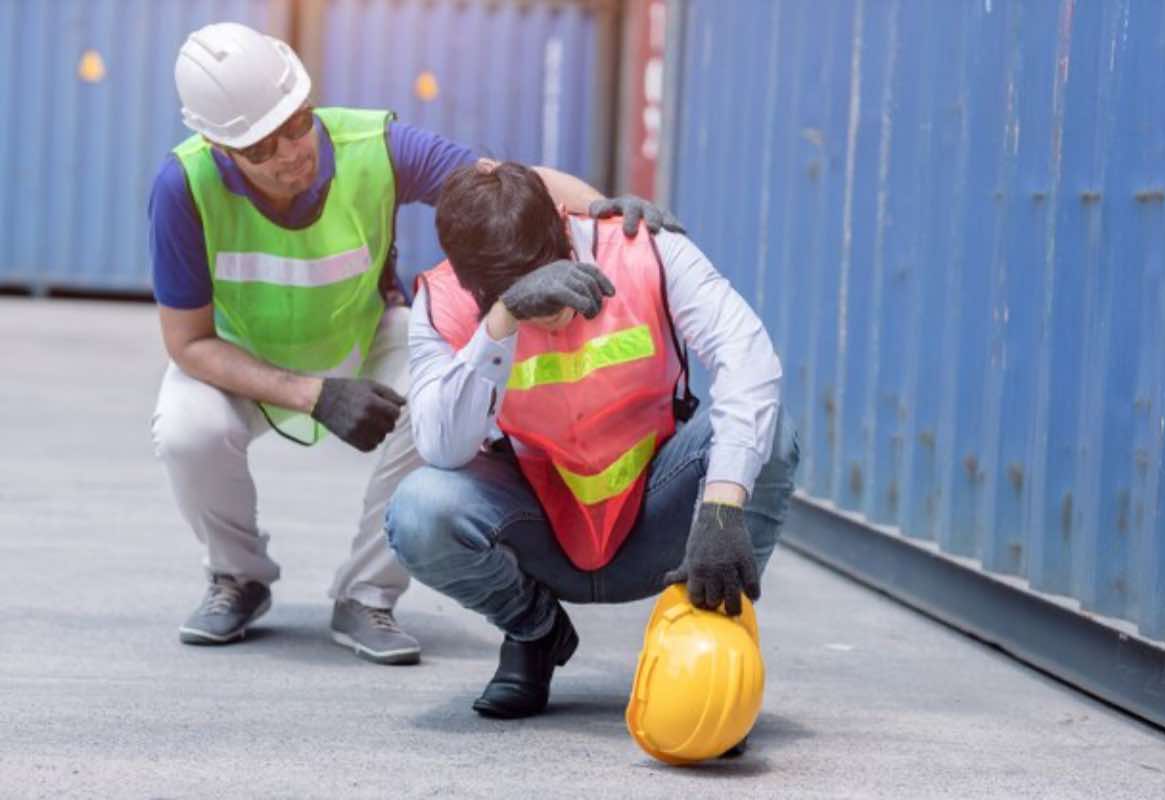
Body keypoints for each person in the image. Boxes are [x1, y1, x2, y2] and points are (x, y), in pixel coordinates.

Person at [148, 22, 677, 665]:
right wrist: (311, 395)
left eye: (297, 122)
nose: (291, 151)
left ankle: (366, 593)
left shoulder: (374, 145)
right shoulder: (183, 188)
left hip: (364, 335)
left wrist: (602, 212)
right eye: (262, 146)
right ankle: (237, 576)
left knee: (441, 395)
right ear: (217, 143)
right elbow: (188, 343)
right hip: (245, 358)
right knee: (186, 429)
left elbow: (505, 181)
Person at [385, 161, 799, 717]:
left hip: (654, 521)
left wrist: (722, 508)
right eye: (506, 290)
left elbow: (748, 358)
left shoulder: (645, 251)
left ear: (563, 230)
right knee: (419, 510)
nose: (547, 309)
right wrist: (502, 321)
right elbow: (443, 448)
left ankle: (707, 646)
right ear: (471, 282)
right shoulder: (445, 303)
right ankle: (535, 634)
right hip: (542, 533)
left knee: (771, 434)